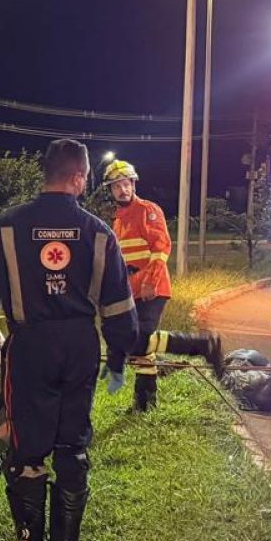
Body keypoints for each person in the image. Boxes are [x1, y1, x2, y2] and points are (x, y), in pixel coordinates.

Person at [0, 140, 139, 541]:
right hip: (80, 348)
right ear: (79, 177)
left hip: (30, 349)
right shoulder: (99, 233)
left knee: (27, 453)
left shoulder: (6, 228)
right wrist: (117, 358)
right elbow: (119, 307)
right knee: (72, 448)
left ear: (46, 174)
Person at [103, 159, 224, 412]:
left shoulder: (148, 210)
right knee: (141, 348)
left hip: (152, 289)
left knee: (140, 339)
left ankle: (201, 345)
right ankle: (145, 403)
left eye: (125, 184)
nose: (122, 190)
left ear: (133, 183)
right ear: (111, 191)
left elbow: (161, 248)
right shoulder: (117, 220)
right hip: (132, 291)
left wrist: (149, 281)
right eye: (116, 187)